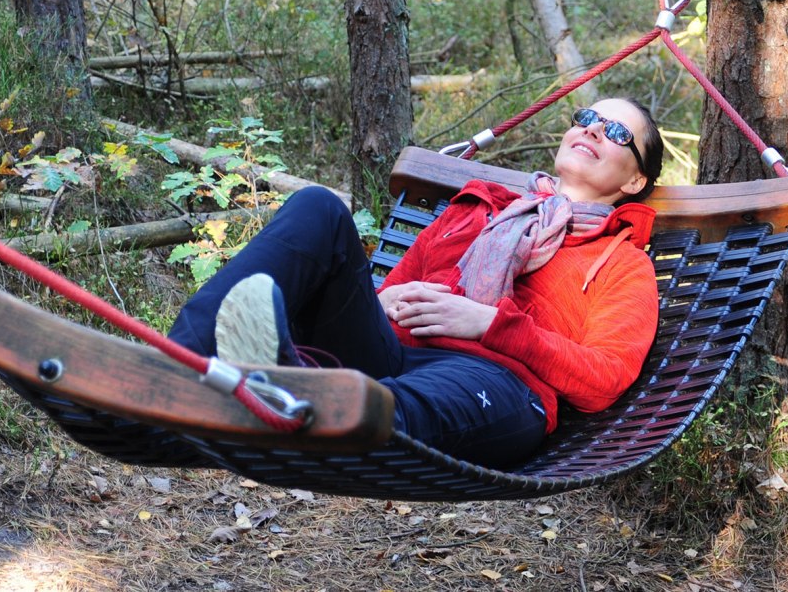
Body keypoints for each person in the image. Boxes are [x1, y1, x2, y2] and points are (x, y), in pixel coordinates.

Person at [167, 98, 665, 467]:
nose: (594, 130)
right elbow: (391, 293)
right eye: (586, 119)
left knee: (405, 407)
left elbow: (604, 379)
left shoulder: (622, 262)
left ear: (634, 182)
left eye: (617, 132)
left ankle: (292, 399)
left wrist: (490, 324)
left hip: (497, 381)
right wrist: (382, 302)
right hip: (393, 354)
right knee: (317, 206)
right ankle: (178, 365)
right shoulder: (479, 211)